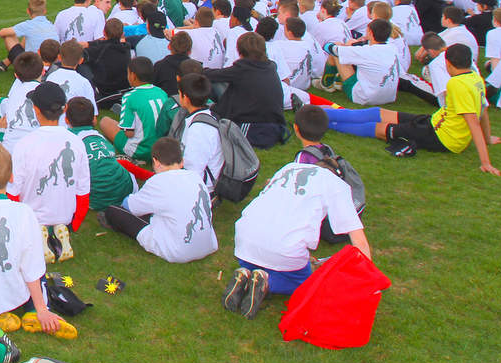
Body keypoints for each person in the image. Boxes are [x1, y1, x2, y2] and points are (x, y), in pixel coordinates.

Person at [225, 106, 372, 320]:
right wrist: (368, 279)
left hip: (245, 238)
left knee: (261, 257)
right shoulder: (336, 186)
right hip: (285, 247)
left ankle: (246, 273)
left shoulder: (288, 168)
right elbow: (359, 242)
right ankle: (267, 282)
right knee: (308, 281)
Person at [0, 144, 75, 343]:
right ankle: (35, 312)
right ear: (11, 177)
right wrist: (43, 308)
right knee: (37, 270)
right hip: (12, 294)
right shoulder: (24, 212)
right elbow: (32, 266)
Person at [322, 43, 501, 172]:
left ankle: (322, 121)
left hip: (441, 137)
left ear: (447, 64)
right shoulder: (476, 78)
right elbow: (483, 111)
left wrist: (485, 162)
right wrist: (487, 138)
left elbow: (473, 121)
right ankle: (321, 113)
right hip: (436, 122)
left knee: (379, 129)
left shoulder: (457, 84)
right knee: (379, 113)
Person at [99, 137, 218, 264]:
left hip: (177, 251)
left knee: (113, 211)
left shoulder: (157, 182)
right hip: (208, 244)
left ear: (156, 162)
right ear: (182, 161)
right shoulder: (196, 177)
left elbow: (130, 206)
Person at [8, 83, 90, 263]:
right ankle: (60, 228)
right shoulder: (77, 142)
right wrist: (75, 222)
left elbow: (13, 190)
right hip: (66, 213)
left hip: (31, 213)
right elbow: (83, 189)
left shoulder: (24, 144)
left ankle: (39, 233)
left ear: (36, 110)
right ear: (65, 109)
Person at [204, 32, 287, 148]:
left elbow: (213, 75)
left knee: (216, 86)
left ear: (240, 51)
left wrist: (195, 67)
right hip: (276, 125)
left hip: (255, 127)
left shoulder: (242, 69)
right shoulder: (269, 66)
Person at [65, 96, 134, 211]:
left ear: (66, 120)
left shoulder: (68, 141)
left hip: (95, 199)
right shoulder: (100, 138)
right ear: (94, 119)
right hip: (124, 189)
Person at [99, 57, 173, 163]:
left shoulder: (129, 96)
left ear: (133, 75)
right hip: (161, 150)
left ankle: (135, 158)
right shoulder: (161, 92)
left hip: (140, 151)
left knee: (105, 121)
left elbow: (129, 133)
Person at [0, 0, 58, 68]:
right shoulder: (51, 25)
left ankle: (13, 65)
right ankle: (5, 63)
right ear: (45, 11)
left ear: (28, 11)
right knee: (27, 35)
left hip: (32, 66)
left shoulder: (28, 25)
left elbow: (2, 33)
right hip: (51, 64)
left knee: (9, 36)